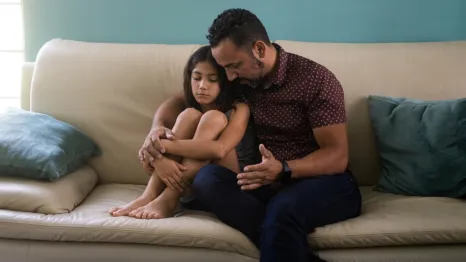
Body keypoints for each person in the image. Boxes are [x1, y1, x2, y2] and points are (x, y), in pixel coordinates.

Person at [139, 8, 362, 262]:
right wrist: (156, 131)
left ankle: (279, 227)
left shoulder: (315, 79)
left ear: (258, 49)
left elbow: (337, 156)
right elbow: (181, 99)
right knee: (207, 179)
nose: (229, 76)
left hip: (325, 182)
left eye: (234, 66)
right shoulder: (240, 78)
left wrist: (283, 168)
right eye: (226, 69)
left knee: (283, 210)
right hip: (263, 183)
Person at [109, 45, 259, 219]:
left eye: (212, 79)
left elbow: (218, 150)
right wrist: (156, 146)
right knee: (189, 114)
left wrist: (161, 148)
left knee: (214, 118)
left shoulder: (239, 108)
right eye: (197, 78)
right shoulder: (187, 100)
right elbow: (161, 119)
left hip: (222, 185)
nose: (202, 86)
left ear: (225, 81)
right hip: (190, 188)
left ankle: (169, 198)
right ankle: (149, 195)